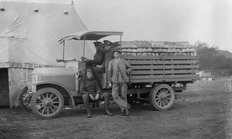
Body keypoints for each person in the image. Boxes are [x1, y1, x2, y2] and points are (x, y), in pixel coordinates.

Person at [107, 50, 132, 116]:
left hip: (123, 80)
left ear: (120, 54)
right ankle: (126, 106)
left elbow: (130, 68)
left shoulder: (123, 61)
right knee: (114, 95)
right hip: (115, 81)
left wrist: (127, 71)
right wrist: (109, 81)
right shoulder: (111, 62)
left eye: (117, 54)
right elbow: (109, 72)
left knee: (124, 95)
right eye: (114, 54)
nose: (116, 55)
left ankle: (125, 110)